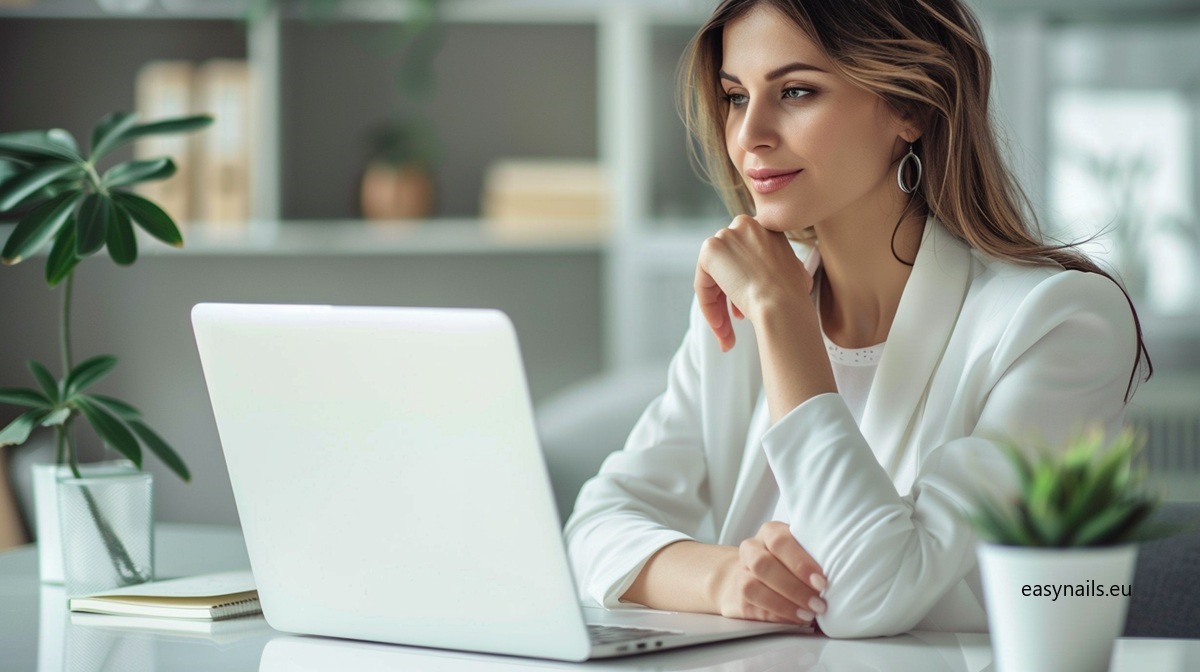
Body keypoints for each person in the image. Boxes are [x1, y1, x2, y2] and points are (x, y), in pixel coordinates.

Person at [564, 0, 1151, 639]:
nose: (749, 134)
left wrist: (785, 321)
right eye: (736, 96)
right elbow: (595, 524)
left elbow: (873, 594)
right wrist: (724, 578)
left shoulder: (1058, 323)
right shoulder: (750, 305)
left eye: (796, 91)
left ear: (911, 108)